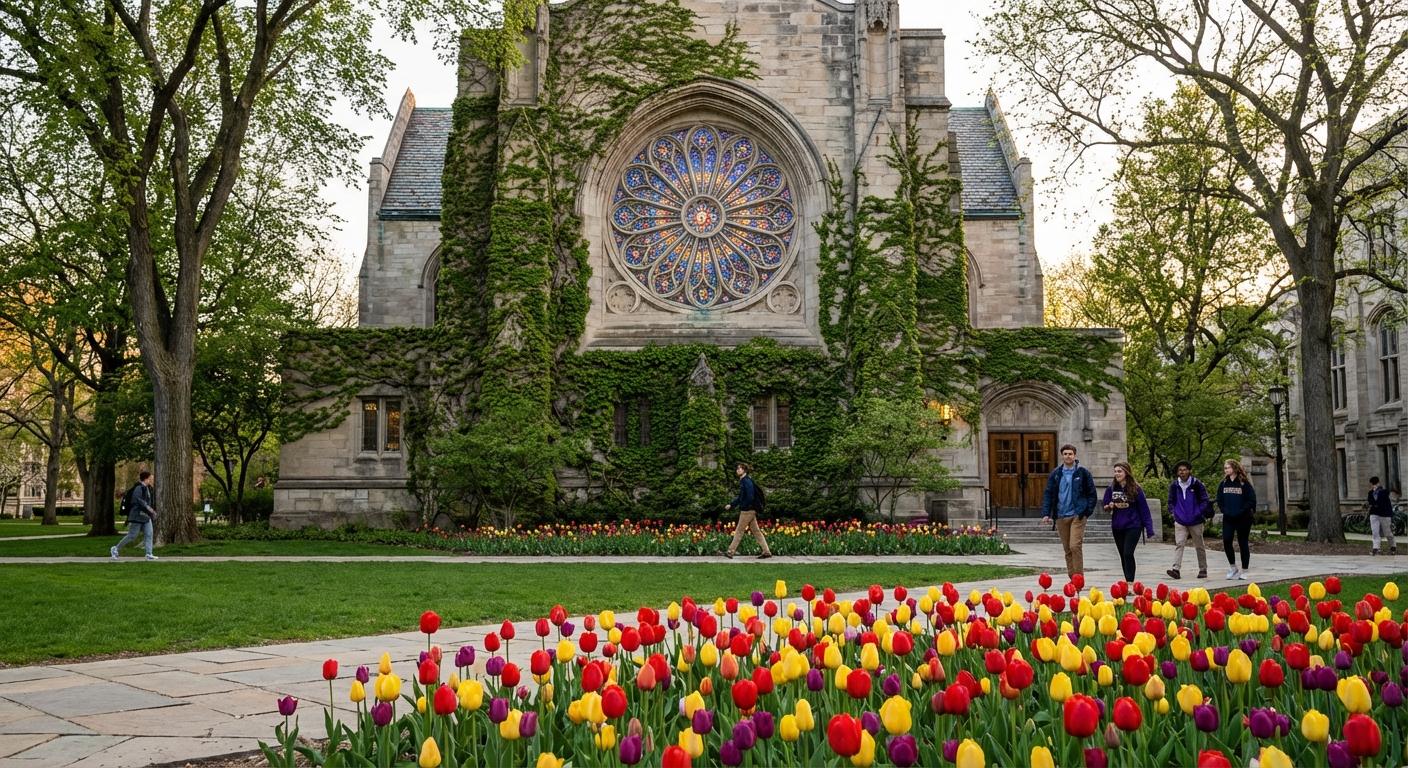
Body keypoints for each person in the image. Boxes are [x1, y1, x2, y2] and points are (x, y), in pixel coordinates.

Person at [1040, 444, 1098, 577]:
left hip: (1077, 514)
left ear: (1075, 455)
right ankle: (1072, 579)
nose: (1068, 456)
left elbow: (1092, 493)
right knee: (1067, 549)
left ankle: (1079, 578)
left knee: (1074, 546)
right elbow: (1049, 493)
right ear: (1062, 456)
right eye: (1065, 454)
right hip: (1061, 515)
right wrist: (1046, 513)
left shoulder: (1082, 473)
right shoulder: (1056, 474)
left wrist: (1086, 511)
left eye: (1070, 454)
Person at [1103, 461, 1156, 585]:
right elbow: (1105, 505)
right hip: (1117, 526)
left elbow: (1144, 509)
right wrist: (1109, 506)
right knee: (1122, 554)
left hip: (1133, 525)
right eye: (1115, 471)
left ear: (1126, 472)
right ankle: (1127, 581)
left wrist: (1149, 528)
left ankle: (1131, 582)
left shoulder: (1136, 489)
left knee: (1128, 553)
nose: (1117, 474)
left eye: (1119, 471)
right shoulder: (1111, 489)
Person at [1166, 461, 1212, 580]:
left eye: (1185, 469)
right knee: (1179, 544)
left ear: (1189, 471)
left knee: (1199, 545)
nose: (1182, 472)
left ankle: (1203, 569)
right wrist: (1173, 512)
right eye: (1180, 470)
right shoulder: (1174, 485)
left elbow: (1205, 500)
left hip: (1196, 520)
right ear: (1177, 472)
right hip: (1180, 520)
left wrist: (1199, 512)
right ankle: (1176, 569)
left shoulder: (1197, 484)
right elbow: (1170, 501)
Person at [1217, 459, 1257, 580]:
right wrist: (1225, 510)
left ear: (1234, 468)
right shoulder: (1223, 483)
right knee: (1227, 540)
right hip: (1228, 518)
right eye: (1225, 468)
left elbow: (1251, 500)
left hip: (1243, 518)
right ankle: (1233, 568)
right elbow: (1220, 500)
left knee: (1242, 542)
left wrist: (1241, 511)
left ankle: (1245, 570)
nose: (1226, 470)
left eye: (1228, 467)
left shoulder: (1244, 483)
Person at [723, 462, 771, 560]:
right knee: (756, 531)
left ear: (744, 470)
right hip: (750, 510)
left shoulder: (747, 481)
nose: (737, 470)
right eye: (737, 469)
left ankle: (730, 551)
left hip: (747, 511)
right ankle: (766, 551)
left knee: (739, 530)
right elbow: (741, 497)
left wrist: (743, 506)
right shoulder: (744, 481)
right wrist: (731, 505)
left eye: (739, 469)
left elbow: (750, 497)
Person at [111, 470, 159, 561]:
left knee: (149, 534)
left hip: (145, 516)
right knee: (132, 535)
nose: (151, 480)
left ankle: (149, 554)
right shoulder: (138, 488)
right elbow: (138, 500)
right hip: (137, 515)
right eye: (150, 478)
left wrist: (150, 510)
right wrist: (149, 508)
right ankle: (115, 549)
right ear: (145, 479)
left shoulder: (147, 488)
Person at [1367, 475, 1397, 555]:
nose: (1373, 485)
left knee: (1387, 532)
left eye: (1373, 483)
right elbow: (1370, 502)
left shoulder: (1384, 491)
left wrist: (1377, 492)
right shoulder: (1370, 492)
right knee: (1375, 532)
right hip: (1374, 514)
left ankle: (1393, 546)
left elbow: (1382, 501)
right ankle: (1376, 548)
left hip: (1384, 514)